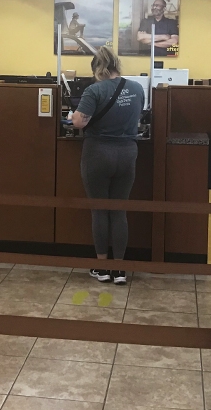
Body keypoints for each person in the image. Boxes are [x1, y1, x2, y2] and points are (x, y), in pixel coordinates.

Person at [68, 47, 145, 285]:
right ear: (117, 65)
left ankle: (102, 268)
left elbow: (79, 122)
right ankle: (119, 270)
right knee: (119, 210)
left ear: (98, 69)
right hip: (127, 153)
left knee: (100, 210)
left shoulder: (94, 89)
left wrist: (72, 116)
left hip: (98, 154)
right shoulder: (137, 88)